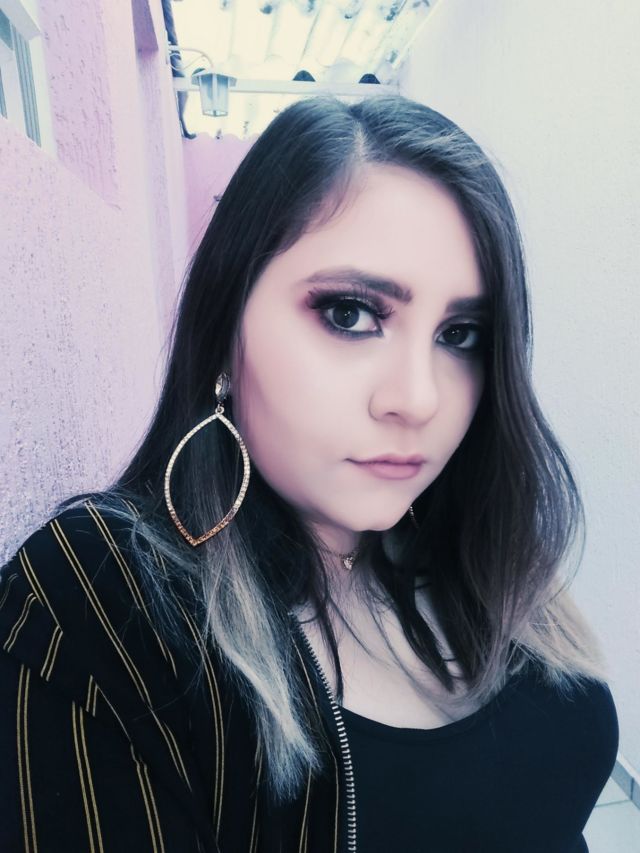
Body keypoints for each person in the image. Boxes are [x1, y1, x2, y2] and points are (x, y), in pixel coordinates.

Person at [0, 94, 618, 853]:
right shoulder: (103, 606)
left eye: (461, 334)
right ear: (225, 327)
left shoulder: (473, 544)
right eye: (351, 314)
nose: (418, 399)